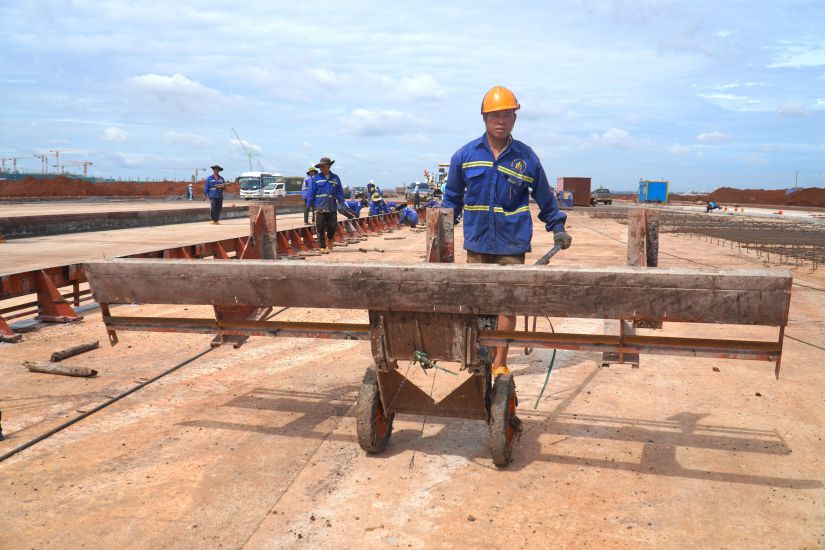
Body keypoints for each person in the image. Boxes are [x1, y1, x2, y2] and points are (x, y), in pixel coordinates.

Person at [443, 85, 572, 378]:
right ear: (485, 118)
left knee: (507, 305)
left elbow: (545, 199)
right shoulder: (464, 156)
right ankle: (478, 358)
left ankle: (500, 360)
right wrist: (444, 225)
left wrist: (558, 228)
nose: (501, 121)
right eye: (495, 115)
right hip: (476, 243)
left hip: (512, 245)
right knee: (475, 303)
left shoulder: (527, 158)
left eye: (507, 115)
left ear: (514, 119)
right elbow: (451, 198)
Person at [307, 156, 345, 253]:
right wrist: (309, 204)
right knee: (319, 228)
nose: (321, 168)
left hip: (331, 206)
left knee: (332, 226)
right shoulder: (315, 178)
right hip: (320, 206)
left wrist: (342, 202)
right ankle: (322, 246)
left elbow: (339, 191)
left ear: (329, 166)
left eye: (323, 166)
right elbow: (311, 192)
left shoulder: (335, 178)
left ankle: (331, 240)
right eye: (320, 167)